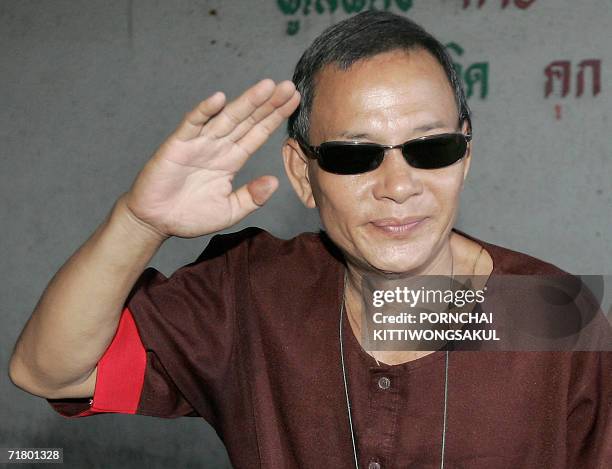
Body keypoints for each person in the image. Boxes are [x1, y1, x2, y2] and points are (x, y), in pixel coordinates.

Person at [8, 11, 610, 469]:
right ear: (303, 173)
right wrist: (139, 224)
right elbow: (49, 373)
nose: (398, 187)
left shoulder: (550, 310)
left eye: (431, 149)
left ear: (466, 154)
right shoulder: (251, 291)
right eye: (355, 156)